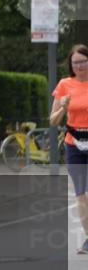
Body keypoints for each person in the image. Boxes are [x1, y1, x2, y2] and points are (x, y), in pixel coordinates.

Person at [49, 44, 88, 255]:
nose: (79, 66)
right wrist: (63, 106)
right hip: (74, 143)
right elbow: (53, 121)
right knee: (81, 194)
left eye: (83, 61)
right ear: (71, 65)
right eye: (75, 63)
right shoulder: (65, 85)